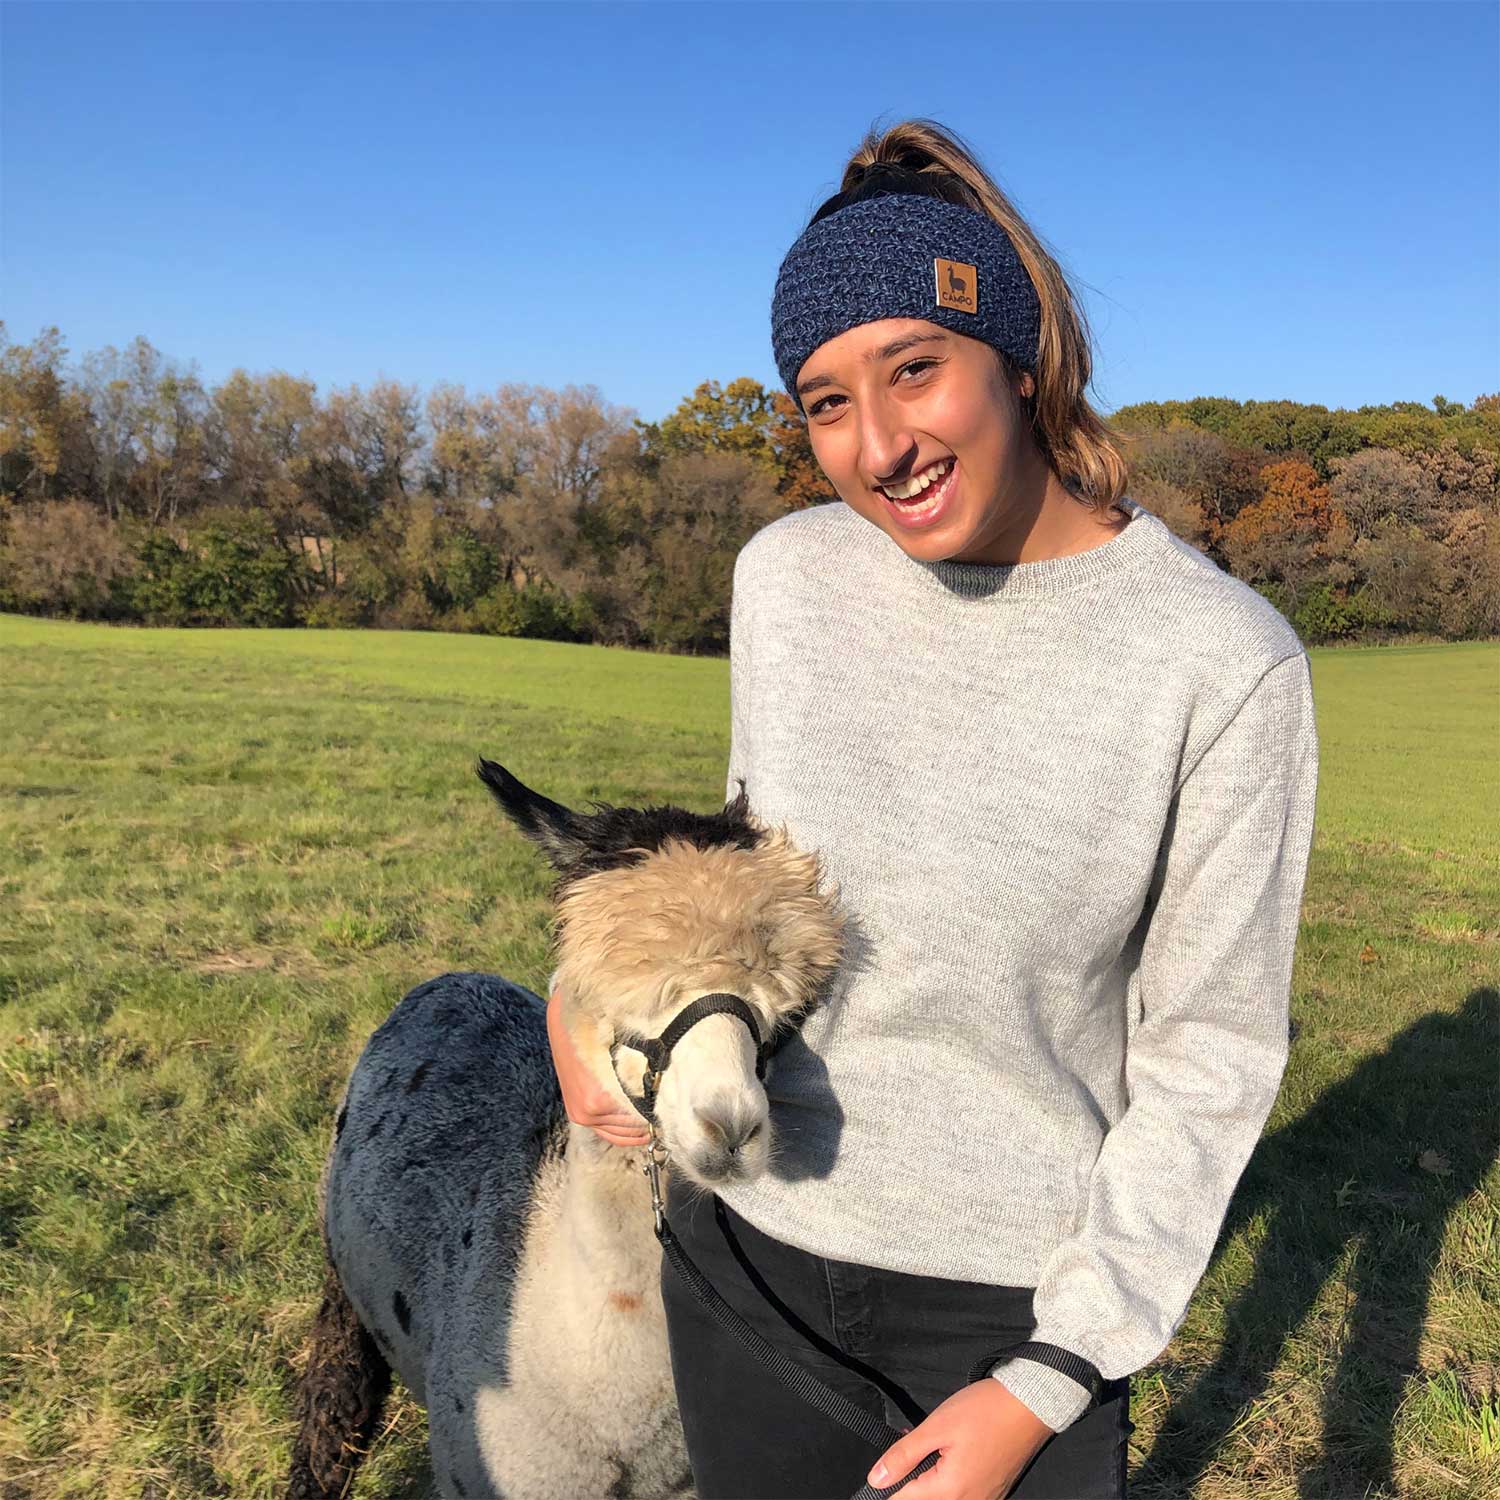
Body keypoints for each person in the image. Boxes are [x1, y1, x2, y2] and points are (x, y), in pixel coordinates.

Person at [547, 118, 1320, 1500]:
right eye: (827, 401)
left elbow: (1210, 1060)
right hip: (746, 1254)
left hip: (1009, 1320)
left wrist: (1048, 1383)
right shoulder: (785, 579)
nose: (881, 445)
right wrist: (588, 996)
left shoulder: (1223, 660)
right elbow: (740, 873)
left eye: (917, 370)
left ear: (1019, 364)